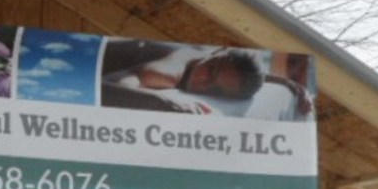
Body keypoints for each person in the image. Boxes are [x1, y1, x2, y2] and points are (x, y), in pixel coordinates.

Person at [100, 39, 312, 117]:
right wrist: (166, 103)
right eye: (211, 72)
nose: (202, 83)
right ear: (214, 53)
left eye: (215, 90)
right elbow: (104, 90)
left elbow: (236, 73)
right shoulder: (165, 72)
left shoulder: (212, 59)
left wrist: (289, 83)